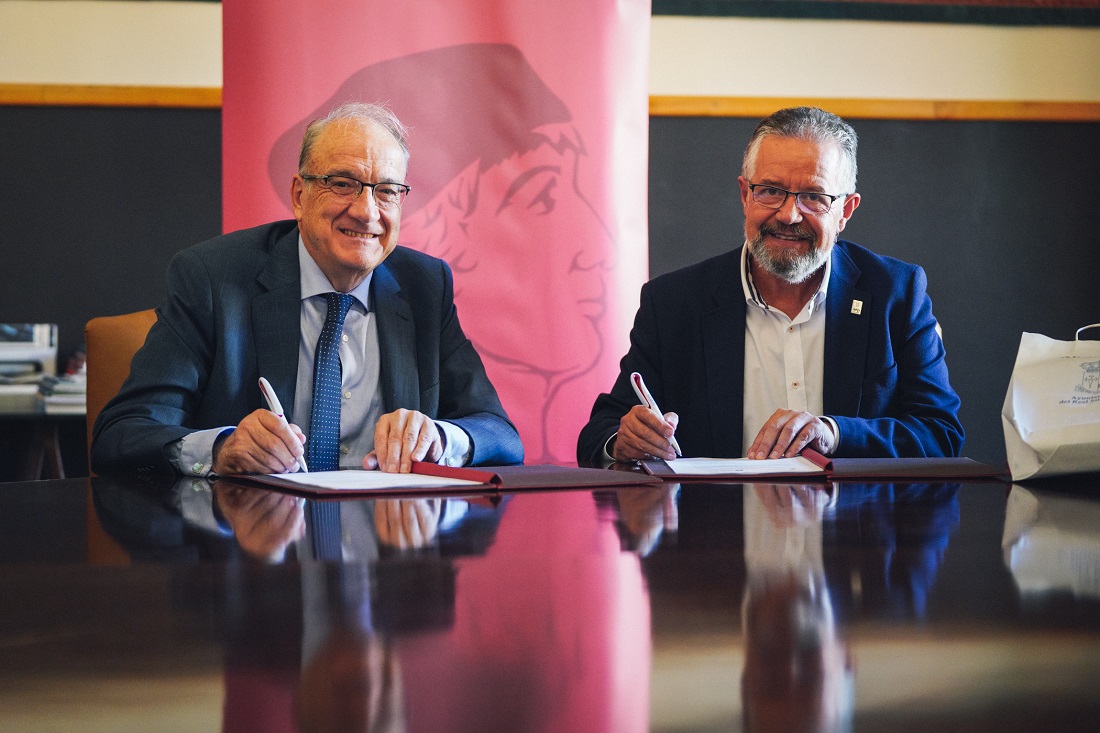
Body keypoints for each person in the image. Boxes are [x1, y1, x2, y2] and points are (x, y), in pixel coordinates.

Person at [92, 102, 523, 476]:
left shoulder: (425, 286)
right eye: (343, 184)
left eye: (387, 191)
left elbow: (500, 434)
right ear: (299, 196)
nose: (367, 212)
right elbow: (124, 432)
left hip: (390, 538)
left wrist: (440, 439)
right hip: (253, 536)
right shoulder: (212, 278)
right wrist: (221, 449)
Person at [577, 106, 963, 464]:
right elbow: (599, 433)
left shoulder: (896, 293)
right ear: (745, 195)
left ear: (845, 211)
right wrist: (624, 440)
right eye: (771, 191)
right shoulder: (673, 303)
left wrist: (835, 434)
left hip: (856, 516)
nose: (789, 214)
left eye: (813, 197)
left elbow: (941, 434)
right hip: (714, 517)